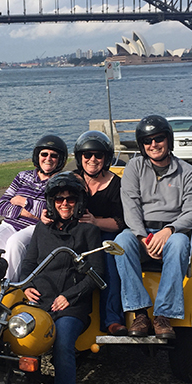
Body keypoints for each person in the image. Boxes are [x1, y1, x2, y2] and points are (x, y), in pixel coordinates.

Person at [20, 171, 105, 384]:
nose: (65, 203)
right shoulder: (41, 229)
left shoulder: (89, 232)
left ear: (78, 201)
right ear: (51, 202)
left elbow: (96, 275)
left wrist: (68, 297)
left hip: (72, 306)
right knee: (1, 334)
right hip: (40, 301)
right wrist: (27, 286)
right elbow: (28, 262)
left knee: (63, 346)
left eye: (70, 198)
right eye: (59, 199)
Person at [115, 115, 192, 339]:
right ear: (142, 145)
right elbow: (131, 204)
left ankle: (164, 315)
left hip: (171, 232)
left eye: (158, 138)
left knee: (179, 242)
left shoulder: (189, 173)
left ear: (168, 139)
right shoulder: (134, 167)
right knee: (120, 242)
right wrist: (142, 236)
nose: (153, 144)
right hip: (141, 232)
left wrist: (169, 231)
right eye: (147, 141)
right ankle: (139, 312)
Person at [0, 134, 68, 280]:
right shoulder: (22, 176)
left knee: (15, 242)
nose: (48, 158)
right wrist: (29, 212)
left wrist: (23, 201)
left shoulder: (61, 182)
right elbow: (2, 205)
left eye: (53, 156)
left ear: (60, 160)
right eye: (44, 154)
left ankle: (8, 287)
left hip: (37, 228)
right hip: (11, 223)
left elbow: (51, 212)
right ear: (37, 156)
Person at [73, 130, 127, 335]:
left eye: (98, 155)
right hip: (76, 234)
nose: (92, 159)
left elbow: (122, 222)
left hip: (104, 234)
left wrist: (96, 222)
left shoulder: (117, 185)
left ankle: (112, 318)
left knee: (111, 263)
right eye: (87, 155)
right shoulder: (72, 180)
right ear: (80, 158)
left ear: (106, 158)